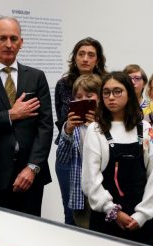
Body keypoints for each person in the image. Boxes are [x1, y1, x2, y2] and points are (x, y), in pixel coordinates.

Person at [0, 16, 53, 217]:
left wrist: (32, 168)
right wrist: (10, 115)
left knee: (31, 233)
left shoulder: (36, 77)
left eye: (14, 39)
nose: (8, 44)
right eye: (2, 38)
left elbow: (45, 126)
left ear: (21, 43)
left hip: (31, 175)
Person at [82, 71, 153, 245]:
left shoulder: (145, 129)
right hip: (106, 221)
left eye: (118, 91)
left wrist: (142, 215)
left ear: (129, 94)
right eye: (106, 92)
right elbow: (90, 181)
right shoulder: (95, 130)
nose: (111, 97)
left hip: (141, 222)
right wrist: (113, 212)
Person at [54, 37, 107, 225]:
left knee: (100, 211)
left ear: (98, 60)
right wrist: (69, 126)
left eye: (91, 55)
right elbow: (60, 118)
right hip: (71, 152)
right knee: (72, 212)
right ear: (74, 58)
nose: (85, 58)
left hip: (99, 153)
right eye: (81, 54)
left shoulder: (108, 84)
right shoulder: (63, 84)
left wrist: (98, 122)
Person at [56, 74, 101, 228]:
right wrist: (67, 130)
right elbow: (62, 157)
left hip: (103, 191)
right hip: (81, 193)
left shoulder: (105, 124)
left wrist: (95, 126)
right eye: (78, 96)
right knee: (81, 228)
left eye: (89, 96)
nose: (82, 100)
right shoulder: (73, 127)